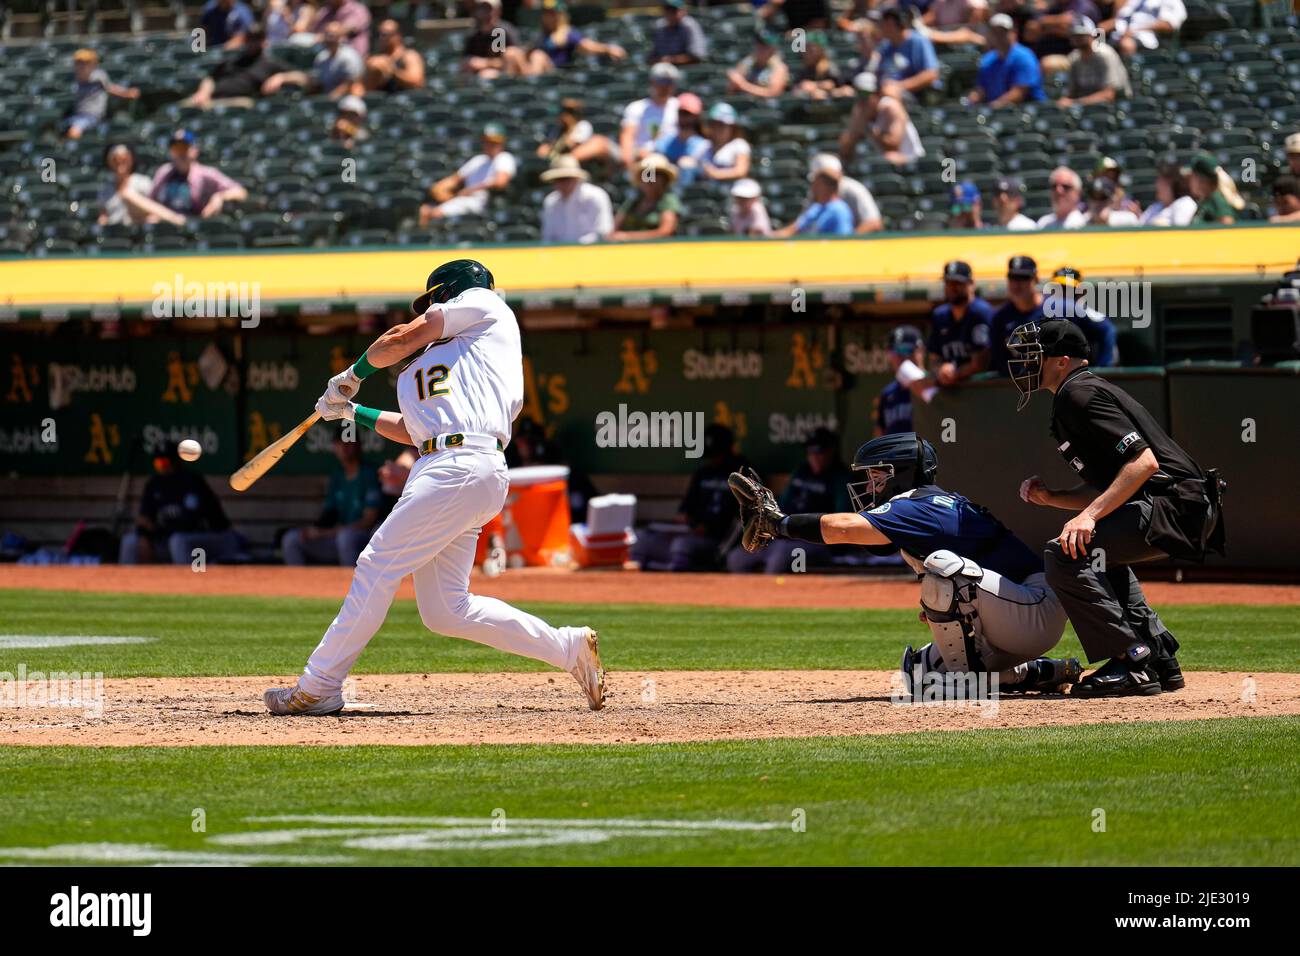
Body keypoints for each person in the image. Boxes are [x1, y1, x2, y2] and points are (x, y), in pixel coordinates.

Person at [265, 259, 606, 715]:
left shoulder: (487, 306)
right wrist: (352, 412)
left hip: (461, 464)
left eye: (435, 299)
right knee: (446, 610)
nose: (432, 308)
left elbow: (405, 336)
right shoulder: (440, 364)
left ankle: (319, 684)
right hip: (447, 468)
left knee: (376, 562)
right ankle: (568, 648)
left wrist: (352, 375)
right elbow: (414, 429)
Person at [728, 433, 1081, 695]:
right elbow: (865, 536)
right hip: (1014, 615)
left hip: (1036, 608)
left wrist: (778, 523)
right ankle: (1041, 672)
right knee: (919, 674)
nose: (870, 484)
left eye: (876, 476)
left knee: (945, 572)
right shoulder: (922, 506)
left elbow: (842, 528)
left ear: (900, 474)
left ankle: (966, 683)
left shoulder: (920, 504)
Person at [1007, 319, 1224, 696]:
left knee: (1064, 554)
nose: (1026, 363)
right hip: (1179, 504)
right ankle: (1158, 657)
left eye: (1034, 355)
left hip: (1172, 505)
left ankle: (1131, 660)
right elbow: (1113, 486)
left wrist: (1088, 515)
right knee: (1096, 553)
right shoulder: (1076, 392)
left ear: (1061, 360)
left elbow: (1143, 464)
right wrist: (1055, 497)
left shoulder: (1080, 394)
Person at [727, 428, 853, 574]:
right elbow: (780, 505)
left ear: (831, 451)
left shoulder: (839, 477)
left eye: (819, 452)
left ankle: (772, 595)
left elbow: (841, 517)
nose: (815, 457)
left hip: (815, 541)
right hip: (784, 535)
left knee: (780, 555)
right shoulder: (801, 472)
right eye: (811, 453)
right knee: (736, 558)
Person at [631, 424, 746, 572]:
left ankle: (679, 587)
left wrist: (710, 529)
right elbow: (685, 510)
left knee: (681, 545)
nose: (713, 459)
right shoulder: (703, 473)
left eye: (717, 455)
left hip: (715, 542)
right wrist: (684, 521)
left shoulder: (745, 474)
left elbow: (740, 520)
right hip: (690, 535)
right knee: (642, 539)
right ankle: (636, 588)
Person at [119, 449, 243, 565]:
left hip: (215, 539)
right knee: (130, 542)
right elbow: (144, 519)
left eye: (165, 462)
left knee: (178, 541)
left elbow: (191, 524)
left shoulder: (192, 482)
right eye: (158, 463)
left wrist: (155, 530)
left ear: (175, 461)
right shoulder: (154, 484)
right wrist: (144, 536)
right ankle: (127, 585)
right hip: (173, 538)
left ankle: (189, 585)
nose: (162, 467)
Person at [283, 433, 383, 566]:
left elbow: (368, 521)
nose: (345, 446)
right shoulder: (338, 474)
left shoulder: (369, 473)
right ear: (335, 447)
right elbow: (329, 514)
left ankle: (352, 585)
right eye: (340, 442)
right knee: (292, 539)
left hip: (364, 540)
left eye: (350, 441)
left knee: (346, 537)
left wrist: (326, 533)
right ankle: (299, 586)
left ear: (359, 445)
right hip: (335, 538)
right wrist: (315, 530)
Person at [419, 123, 516, 224]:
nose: (490, 145)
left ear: (502, 143)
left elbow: (501, 182)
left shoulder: (504, 158)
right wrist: (440, 187)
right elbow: (455, 179)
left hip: (481, 201)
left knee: (436, 213)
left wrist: (471, 189)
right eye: (487, 141)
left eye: (494, 142)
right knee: (424, 210)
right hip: (465, 199)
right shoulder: (478, 160)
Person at [149, 129, 248, 220]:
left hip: (196, 225)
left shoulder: (206, 174)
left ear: (194, 150)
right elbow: (151, 201)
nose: (180, 153)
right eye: (176, 148)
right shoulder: (164, 172)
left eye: (184, 147)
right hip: (167, 225)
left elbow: (241, 192)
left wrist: (220, 196)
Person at [185, 25, 288, 108]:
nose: (252, 42)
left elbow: (302, 77)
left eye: (256, 38)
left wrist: (281, 77)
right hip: (211, 99)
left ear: (264, 41)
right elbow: (211, 78)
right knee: (183, 107)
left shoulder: (269, 63)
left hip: (239, 103)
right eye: (250, 38)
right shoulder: (234, 60)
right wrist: (203, 92)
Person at [513, 0, 625, 75]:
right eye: (546, 14)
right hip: (540, 71)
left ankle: (533, 82)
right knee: (513, 53)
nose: (549, 17)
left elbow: (587, 46)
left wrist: (608, 49)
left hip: (558, 74)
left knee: (539, 56)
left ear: (560, 15)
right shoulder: (541, 35)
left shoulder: (567, 32)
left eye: (552, 14)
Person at [840, 70, 924, 166]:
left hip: (911, 160)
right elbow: (844, 150)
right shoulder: (859, 111)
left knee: (888, 158)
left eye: (865, 94)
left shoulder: (890, 107)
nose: (862, 100)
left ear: (877, 94)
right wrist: (854, 131)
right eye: (859, 94)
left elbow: (893, 146)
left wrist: (868, 129)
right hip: (882, 164)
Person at [928, 260, 993, 384]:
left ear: (971, 284)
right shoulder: (940, 316)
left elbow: (981, 363)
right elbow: (934, 358)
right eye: (949, 282)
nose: (952, 287)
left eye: (958, 283)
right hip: (953, 392)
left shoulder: (980, 313)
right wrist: (941, 370)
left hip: (983, 389)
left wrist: (955, 373)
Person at [262, 21, 364, 98]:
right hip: (326, 101)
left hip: (346, 101)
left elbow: (350, 85)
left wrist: (328, 101)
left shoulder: (349, 57)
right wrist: (283, 78)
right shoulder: (322, 57)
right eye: (327, 35)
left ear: (341, 37)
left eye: (333, 35)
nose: (329, 39)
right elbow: (312, 80)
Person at [1043, 267, 1118, 367]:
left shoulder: (1082, 311)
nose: (1064, 293)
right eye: (1059, 288)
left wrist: (1103, 368)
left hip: (1079, 370)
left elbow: (1108, 330)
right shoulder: (1041, 309)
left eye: (1069, 289)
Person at [99, 144, 187, 227]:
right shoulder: (105, 190)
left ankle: (174, 218)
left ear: (131, 159)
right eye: (115, 160)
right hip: (115, 233)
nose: (120, 162)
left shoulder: (143, 182)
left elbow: (156, 210)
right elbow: (103, 216)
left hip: (139, 229)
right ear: (109, 162)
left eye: (124, 159)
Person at [969, 13, 1045, 106]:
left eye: (1003, 32)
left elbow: (1019, 93)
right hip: (996, 113)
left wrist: (993, 107)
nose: (999, 36)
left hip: (1025, 112)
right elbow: (981, 91)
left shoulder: (1024, 56)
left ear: (1014, 32)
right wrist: (972, 101)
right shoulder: (988, 60)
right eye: (995, 32)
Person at [874, 324, 935, 435]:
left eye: (905, 350)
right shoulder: (888, 394)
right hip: (895, 451)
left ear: (920, 351)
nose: (899, 357)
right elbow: (880, 434)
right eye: (893, 351)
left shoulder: (935, 385)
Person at [65, 48, 139, 140]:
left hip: (92, 115)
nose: (81, 66)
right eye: (78, 63)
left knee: (74, 130)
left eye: (84, 63)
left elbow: (111, 88)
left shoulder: (98, 76)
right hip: (77, 115)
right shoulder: (76, 78)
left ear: (93, 64)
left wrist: (127, 93)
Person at [800, 153, 883, 233]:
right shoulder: (815, 192)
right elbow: (802, 223)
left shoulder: (854, 190)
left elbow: (874, 223)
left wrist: (849, 242)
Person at [988, 255, 1043, 375]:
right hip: (1017, 388)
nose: (1017, 284)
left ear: (1036, 279)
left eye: (1023, 278)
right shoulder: (1000, 317)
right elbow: (999, 361)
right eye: (1013, 277)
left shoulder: (1057, 310)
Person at [873, 5, 940, 103]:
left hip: (915, 96)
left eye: (881, 23)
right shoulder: (886, 46)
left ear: (890, 23)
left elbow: (931, 74)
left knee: (886, 96)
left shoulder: (918, 41)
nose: (878, 27)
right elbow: (878, 73)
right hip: (885, 93)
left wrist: (899, 86)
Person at [620, 63, 681, 169]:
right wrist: (628, 163)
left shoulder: (680, 107)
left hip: (672, 156)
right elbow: (627, 137)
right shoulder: (637, 107)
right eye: (661, 81)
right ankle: (647, 183)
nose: (665, 86)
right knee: (650, 167)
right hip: (644, 158)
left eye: (669, 82)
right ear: (652, 82)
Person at [608, 154, 681, 241]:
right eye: (647, 174)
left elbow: (666, 232)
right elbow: (615, 228)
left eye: (655, 174)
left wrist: (629, 237)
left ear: (664, 180)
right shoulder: (633, 201)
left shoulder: (668, 200)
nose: (650, 179)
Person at [539, 157, 613, 243]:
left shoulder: (596, 196)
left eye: (567, 179)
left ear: (576, 178)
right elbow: (548, 238)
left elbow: (603, 233)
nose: (562, 183)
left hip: (592, 253)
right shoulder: (550, 202)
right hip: (559, 254)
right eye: (558, 179)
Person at [1059, 16, 1130, 105]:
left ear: (1091, 35)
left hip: (1116, 107)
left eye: (1081, 35)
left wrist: (1075, 102)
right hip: (1087, 107)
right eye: (1074, 35)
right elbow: (1071, 93)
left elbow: (1109, 95)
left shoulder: (1105, 55)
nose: (1076, 38)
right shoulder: (1074, 58)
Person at [652, 92, 710, 186]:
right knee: (651, 162)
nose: (684, 117)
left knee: (686, 164)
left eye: (687, 114)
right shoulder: (667, 139)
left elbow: (705, 170)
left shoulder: (703, 144)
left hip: (689, 186)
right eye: (681, 113)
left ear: (696, 117)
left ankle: (682, 195)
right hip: (665, 182)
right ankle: (646, 195)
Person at [773, 169, 854, 236]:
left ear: (826, 187)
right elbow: (794, 229)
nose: (813, 188)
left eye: (816, 184)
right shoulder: (816, 207)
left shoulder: (839, 210)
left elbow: (843, 241)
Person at [354, 19, 425, 94]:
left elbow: (418, 82)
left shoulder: (409, 55)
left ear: (398, 36)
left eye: (385, 34)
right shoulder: (375, 57)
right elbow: (360, 88)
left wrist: (392, 71)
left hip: (404, 101)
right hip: (379, 102)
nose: (381, 38)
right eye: (378, 34)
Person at [537, 98, 610, 166]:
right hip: (559, 162)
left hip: (579, 164)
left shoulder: (583, 125)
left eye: (568, 112)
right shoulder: (557, 129)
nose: (564, 115)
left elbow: (571, 145)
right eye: (563, 111)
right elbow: (544, 149)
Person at [1101, 0, 1186, 56]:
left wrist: (1136, 30)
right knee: (1098, 32)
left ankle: (1129, 75)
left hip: (1145, 37)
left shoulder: (1171, 1)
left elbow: (1169, 25)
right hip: (1121, 32)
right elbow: (1121, 17)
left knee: (1126, 44)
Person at [461, 0, 520, 79]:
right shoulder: (474, 34)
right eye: (482, 8)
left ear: (498, 10)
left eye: (488, 8)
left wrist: (486, 63)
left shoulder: (503, 32)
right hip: (478, 76)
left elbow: (513, 60)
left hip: (504, 76)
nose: (485, 12)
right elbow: (466, 60)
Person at [727, 29, 789, 99]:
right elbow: (730, 92)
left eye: (764, 45)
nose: (760, 48)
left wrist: (743, 85)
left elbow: (774, 93)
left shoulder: (779, 67)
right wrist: (734, 82)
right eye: (758, 44)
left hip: (766, 107)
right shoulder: (747, 62)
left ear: (773, 49)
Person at [1188, 152, 1244, 225]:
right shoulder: (1205, 199)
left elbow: (1228, 225)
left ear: (1201, 180)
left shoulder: (1217, 199)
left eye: (1192, 177)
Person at [700, 103, 751, 183]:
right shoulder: (704, 145)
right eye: (715, 124)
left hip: (731, 189)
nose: (718, 129)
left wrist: (716, 174)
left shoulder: (738, 144)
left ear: (732, 127)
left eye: (723, 125)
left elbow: (741, 171)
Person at [1139, 160, 1197, 226]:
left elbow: (1181, 232)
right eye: (1158, 179)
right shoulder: (1155, 207)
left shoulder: (1185, 203)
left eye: (1162, 181)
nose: (1157, 184)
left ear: (1174, 184)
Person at [651, 0, 708, 66]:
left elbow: (698, 56)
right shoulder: (660, 26)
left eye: (673, 10)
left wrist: (671, 60)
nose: (670, 14)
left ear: (684, 11)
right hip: (665, 67)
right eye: (667, 10)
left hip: (688, 68)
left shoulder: (690, 25)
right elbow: (653, 56)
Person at [793, 30, 845, 100]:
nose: (807, 53)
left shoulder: (830, 67)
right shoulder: (803, 69)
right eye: (806, 49)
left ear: (821, 50)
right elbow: (796, 90)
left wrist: (817, 86)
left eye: (811, 49)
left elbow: (840, 88)